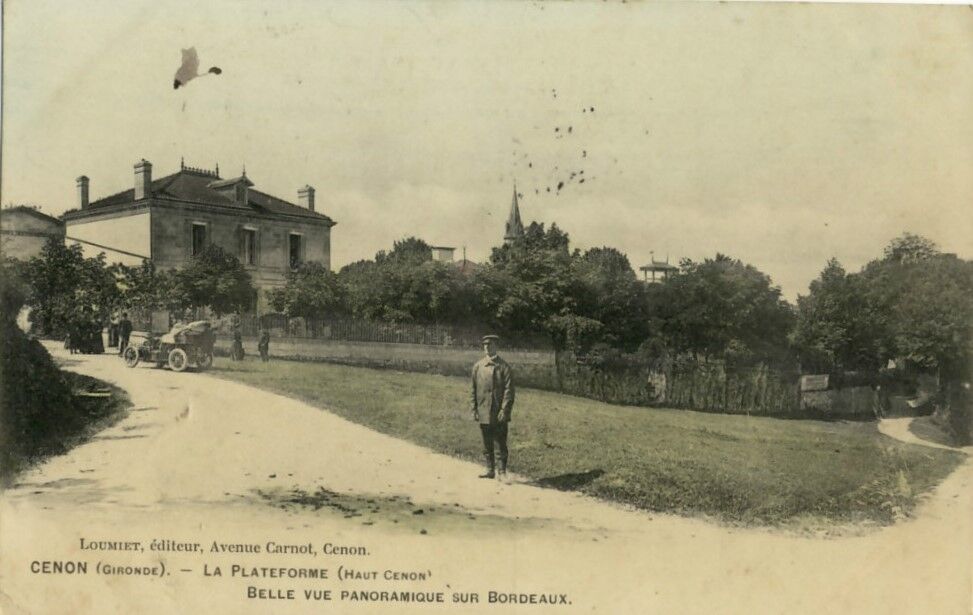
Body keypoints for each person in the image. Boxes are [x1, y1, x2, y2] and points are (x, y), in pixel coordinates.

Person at [470, 334, 515, 480]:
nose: (487, 347)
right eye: (485, 345)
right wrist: (474, 409)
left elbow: (509, 391)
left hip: (498, 411)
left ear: (496, 346)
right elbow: (473, 389)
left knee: (500, 442)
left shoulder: (504, 367)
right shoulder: (478, 366)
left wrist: (504, 410)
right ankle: (490, 469)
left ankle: (502, 472)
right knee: (486, 441)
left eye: (490, 345)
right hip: (483, 410)